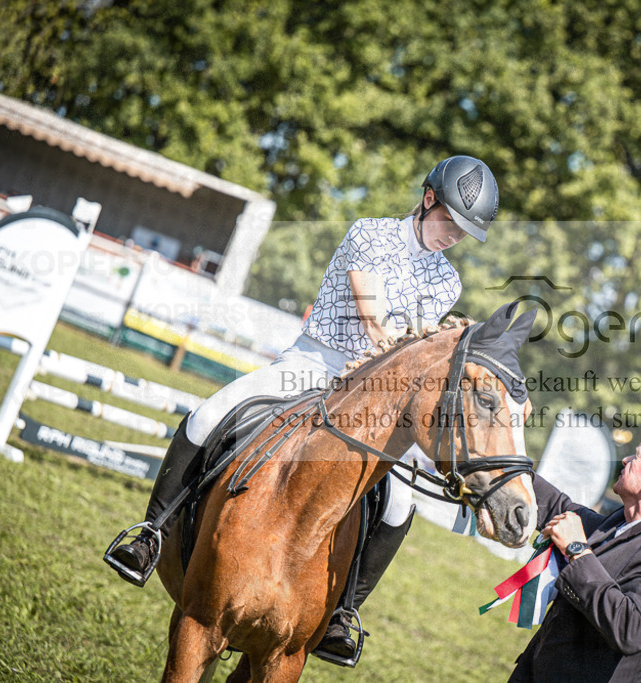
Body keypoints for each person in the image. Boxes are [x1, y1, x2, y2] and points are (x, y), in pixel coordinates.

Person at [107, 155, 500, 659]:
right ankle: (150, 535)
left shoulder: (448, 282)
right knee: (209, 414)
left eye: (465, 231)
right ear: (428, 200)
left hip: (371, 400)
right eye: (452, 221)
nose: (454, 236)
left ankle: (343, 613)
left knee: (402, 503)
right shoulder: (371, 234)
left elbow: (417, 351)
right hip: (315, 363)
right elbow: (375, 323)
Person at [509, 427, 641, 682]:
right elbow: (557, 508)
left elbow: (633, 629)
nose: (626, 459)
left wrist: (577, 551)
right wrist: (506, 462)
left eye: (636, 455)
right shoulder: (625, 522)